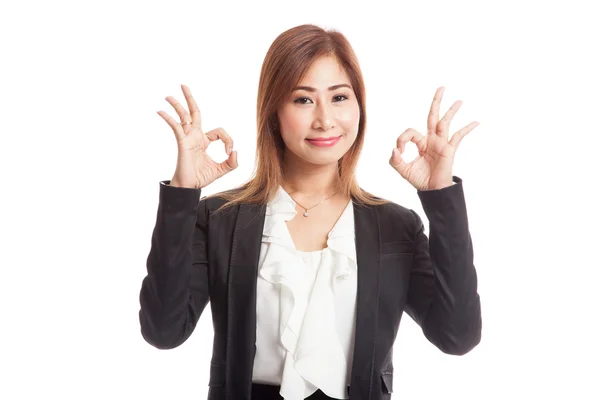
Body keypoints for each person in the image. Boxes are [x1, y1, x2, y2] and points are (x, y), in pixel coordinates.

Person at [138, 24, 482, 400]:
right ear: (273, 111)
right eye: (303, 100)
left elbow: (457, 336)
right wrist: (183, 195)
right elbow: (164, 332)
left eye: (339, 97)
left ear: (359, 108)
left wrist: (441, 198)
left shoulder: (397, 225)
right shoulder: (221, 217)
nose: (324, 119)